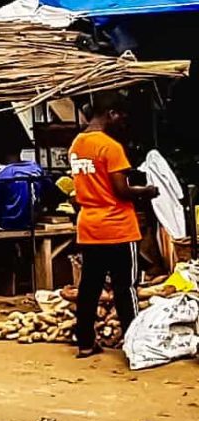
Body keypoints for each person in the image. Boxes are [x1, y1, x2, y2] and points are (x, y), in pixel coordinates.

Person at [67, 99, 143, 358]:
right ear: (110, 113)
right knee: (126, 287)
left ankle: (85, 342)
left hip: (90, 226)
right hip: (119, 227)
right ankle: (136, 344)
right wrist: (146, 191)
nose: (122, 121)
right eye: (121, 115)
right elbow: (121, 190)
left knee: (89, 286)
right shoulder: (111, 147)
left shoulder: (76, 145)